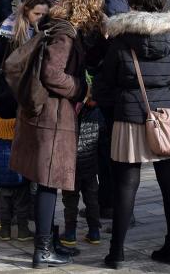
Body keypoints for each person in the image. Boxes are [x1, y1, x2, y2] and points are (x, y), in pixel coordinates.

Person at [92, 0, 170, 268]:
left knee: (125, 185)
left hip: (130, 113)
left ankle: (117, 252)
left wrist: (112, 99)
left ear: (132, 6)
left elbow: (105, 80)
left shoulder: (121, 40)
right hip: (166, 112)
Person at [9, 0, 106, 268]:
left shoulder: (54, 26)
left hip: (44, 114)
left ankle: (47, 245)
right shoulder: (64, 33)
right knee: (50, 182)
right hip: (51, 117)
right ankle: (43, 250)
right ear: (86, 8)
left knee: (47, 182)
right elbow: (52, 75)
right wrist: (81, 89)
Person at [0, 0, 51, 241]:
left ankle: (25, 219)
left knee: (30, 166)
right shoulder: (7, 32)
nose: (39, 19)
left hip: (34, 105)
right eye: (36, 14)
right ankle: (8, 221)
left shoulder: (48, 33)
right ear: (26, 11)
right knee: (7, 164)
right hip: (7, 103)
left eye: (44, 14)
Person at [72, 0, 134, 220]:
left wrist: (99, 73)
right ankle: (108, 202)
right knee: (106, 145)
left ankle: (114, 206)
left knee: (110, 145)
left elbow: (118, 38)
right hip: (106, 76)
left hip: (112, 80)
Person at [59, 97, 102, 248]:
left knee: (70, 200)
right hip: (90, 165)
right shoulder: (98, 113)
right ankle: (94, 231)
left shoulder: (70, 110)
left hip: (71, 165)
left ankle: (70, 233)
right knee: (92, 199)